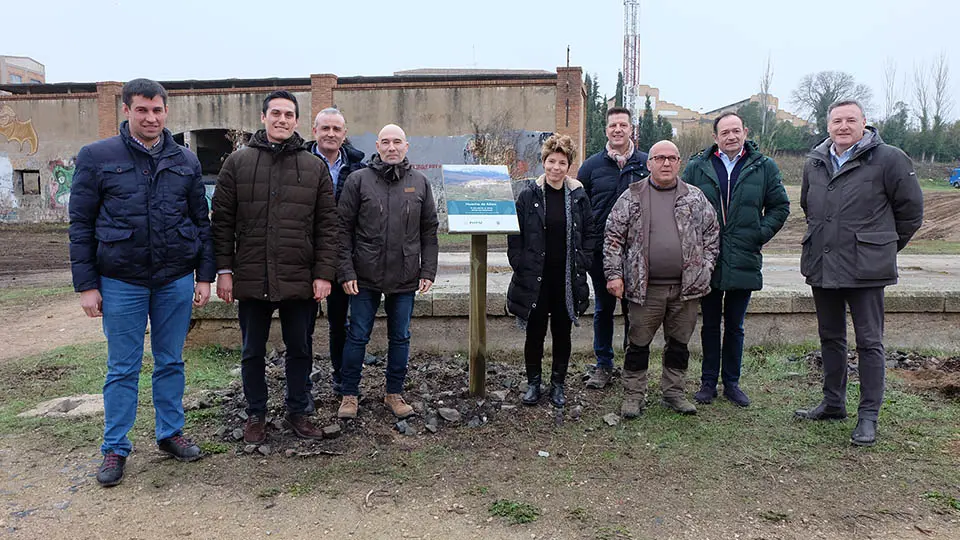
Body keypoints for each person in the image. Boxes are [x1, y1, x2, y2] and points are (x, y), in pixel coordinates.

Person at [68, 78, 215, 487]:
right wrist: (86, 285)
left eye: (157, 110)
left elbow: (200, 222)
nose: (150, 117)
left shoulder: (185, 160)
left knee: (171, 361)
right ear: (127, 111)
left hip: (173, 280)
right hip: (121, 280)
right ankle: (115, 447)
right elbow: (81, 224)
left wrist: (204, 275)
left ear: (166, 111)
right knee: (122, 367)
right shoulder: (98, 157)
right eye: (141, 110)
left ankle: (170, 433)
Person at [212, 90, 339, 444]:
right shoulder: (237, 163)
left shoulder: (314, 167)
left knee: (300, 348)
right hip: (253, 276)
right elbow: (221, 222)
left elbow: (328, 226)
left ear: (297, 121)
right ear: (263, 118)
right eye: (275, 114)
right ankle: (256, 413)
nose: (282, 120)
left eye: (288, 115)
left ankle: (298, 410)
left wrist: (323, 274)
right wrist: (224, 270)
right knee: (252, 349)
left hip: (300, 277)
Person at [794, 100, 923, 446]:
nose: (843, 126)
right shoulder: (815, 161)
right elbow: (810, 207)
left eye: (851, 119)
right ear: (828, 125)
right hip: (823, 263)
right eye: (837, 120)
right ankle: (833, 403)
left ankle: (868, 416)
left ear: (864, 123)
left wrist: (881, 247)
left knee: (869, 343)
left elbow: (910, 212)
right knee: (830, 338)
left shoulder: (890, 159)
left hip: (866, 269)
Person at [604, 140, 719, 417]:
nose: (665, 163)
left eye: (671, 158)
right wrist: (614, 274)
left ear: (679, 162)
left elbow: (712, 235)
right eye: (659, 158)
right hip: (645, 290)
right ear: (649, 163)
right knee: (638, 344)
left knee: (679, 344)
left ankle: (674, 392)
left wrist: (705, 267)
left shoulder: (695, 197)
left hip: (686, 289)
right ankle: (633, 395)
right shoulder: (632, 196)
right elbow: (613, 238)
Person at [682, 112, 790, 407]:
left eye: (735, 131)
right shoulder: (697, 167)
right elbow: (680, 207)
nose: (730, 136)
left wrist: (758, 234)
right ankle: (707, 382)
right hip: (708, 259)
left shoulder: (763, 167)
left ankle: (731, 382)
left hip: (744, 256)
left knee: (735, 325)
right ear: (715, 137)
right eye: (724, 132)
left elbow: (780, 207)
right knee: (710, 324)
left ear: (745, 132)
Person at [336, 124, 439, 420]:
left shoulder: (419, 183)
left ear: (407, 146)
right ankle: (349, 394)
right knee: (357, 336)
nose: (391, 147)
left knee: (401, 337)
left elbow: (429, 231)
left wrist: (428, 269)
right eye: (385, 142)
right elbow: (342, 230)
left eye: (397, 142)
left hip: (405, 275)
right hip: (363, 276)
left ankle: (393, 392)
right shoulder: (358, 181)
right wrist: (346, 271)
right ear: (377, 146)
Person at [507, 134, 596, 408]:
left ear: (569, 166)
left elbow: (590, 233)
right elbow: (515, 235)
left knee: (562, 333)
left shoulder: (579, 196)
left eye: (562, 162)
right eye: (551, 161)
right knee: (534, 333)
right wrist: (519, 262)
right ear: (543, 162)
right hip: (535, 278)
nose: (556, 167)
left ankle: (558, 384)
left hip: (566, 279)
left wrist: (583, 261)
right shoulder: (528, 195)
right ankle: (534, 383)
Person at [577, 107, 649, 389]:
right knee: (603, 310)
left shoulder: (646, 164)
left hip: (638, 254)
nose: (617, 130)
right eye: (612, 126)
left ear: (632, 129)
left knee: (635, 311)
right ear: (606, 131)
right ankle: (604, 364)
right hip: (600, 253)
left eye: (623, 125)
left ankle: (633, 366)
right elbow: (580, 209)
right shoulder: (591, 167)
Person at [302, 107, 366, 396]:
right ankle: (301, 381)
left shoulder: (357, 168)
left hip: (342, 257)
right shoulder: (299, 162)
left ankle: (341, 377)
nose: (330, 134)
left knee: (340, 322)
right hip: (303, 255)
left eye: (336, 129)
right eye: (325, 128)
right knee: (301, 324)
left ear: (344, 133)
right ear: (314, 131)